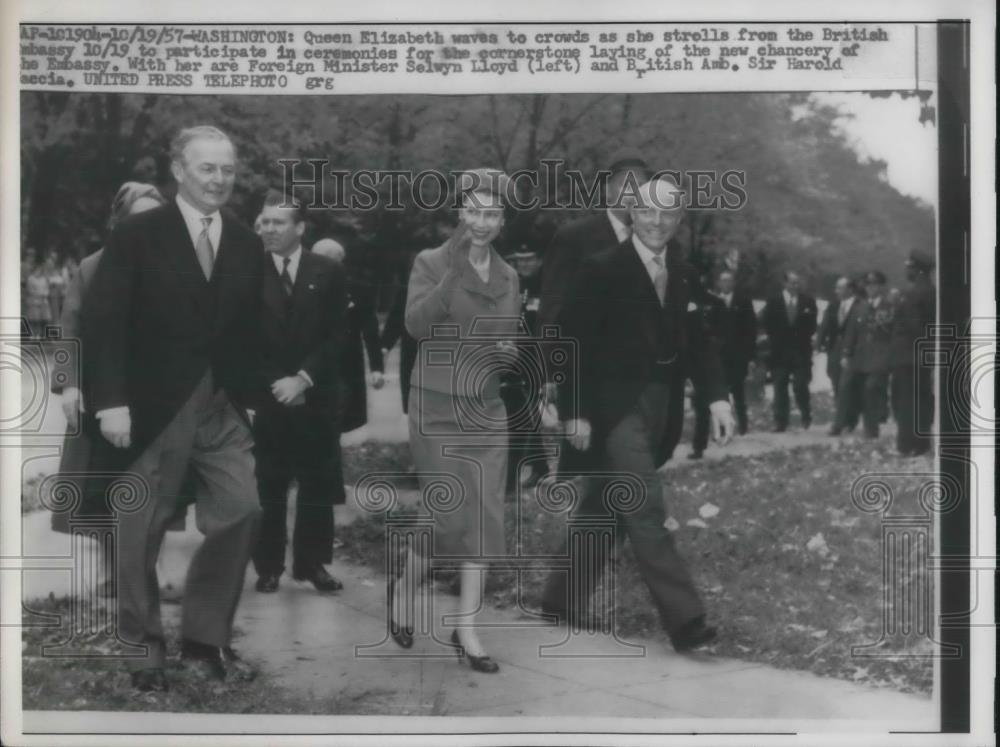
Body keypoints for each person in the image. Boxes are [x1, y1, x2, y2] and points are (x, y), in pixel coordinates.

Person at [81, 125, 264, 691]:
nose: (219, 179)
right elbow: (103, 324)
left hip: (220, 407)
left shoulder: (245, 243)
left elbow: (248, 330)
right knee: (141, 530)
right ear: (179, 171)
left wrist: (250, 398)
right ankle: (145, 654)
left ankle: (206, 640)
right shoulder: (138, 234)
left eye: (227, 169)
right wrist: (109, 403)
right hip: (151, 407)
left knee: (243, 509)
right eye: (207, 168)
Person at [542, 176, 735, 653]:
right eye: (647, 211)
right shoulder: (600, 268)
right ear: (632, 212)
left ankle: (560, 600)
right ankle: (686, 621)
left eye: (668, 213)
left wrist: (717, 398)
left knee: (606, 503)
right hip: (610, 408)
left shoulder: (684, 272)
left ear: (679, 219)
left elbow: (700, 345)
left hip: (659, 407)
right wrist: (577, 413)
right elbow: (573, 347)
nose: (656, 221)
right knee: (643, 502)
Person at [394, 169, 521, 674]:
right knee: (446, 511)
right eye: (474, 211)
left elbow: (504, 341)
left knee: (485, 515)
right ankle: (404, 591)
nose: (482, 222)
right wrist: (451, 275)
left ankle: (466, 628)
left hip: (486, 407)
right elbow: (416, 324)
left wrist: (509, 353)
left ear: (503, 219)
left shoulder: (511, 276)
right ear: (460, 212)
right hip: (437, 403)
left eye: (492, 214)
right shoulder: (430, 262)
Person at [49, 183, 173, 596]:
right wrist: (68, 387)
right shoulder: (93, 267)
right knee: (105, 484)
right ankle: (109, 569)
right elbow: (71, 328)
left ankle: (149, 568)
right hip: (103, 395)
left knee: (157, 485)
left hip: (157, 395)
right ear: (120, 222)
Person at [252, 191, 348, 594]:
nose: (268, 229)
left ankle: (311, 564)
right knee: (268, 483)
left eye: (277, 222)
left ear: (300, 228)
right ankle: (268, 566)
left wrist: (305, 379)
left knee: (317, 483)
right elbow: (241, 337)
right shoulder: (247, 270)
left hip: (315, 395)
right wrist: (276, 385)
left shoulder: (326, 270)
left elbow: (338, 334)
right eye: (264, 222)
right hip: (268, 396)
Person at [538, 149, 651, 477]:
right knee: (587, 470)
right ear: (608, 191)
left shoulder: (653, 240)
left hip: (637, 381)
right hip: (586, 375)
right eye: (627, 188)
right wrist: (548, 371)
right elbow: (552, 309)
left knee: (631, 472)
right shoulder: (575, 238)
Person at [311, 237, 385, 433]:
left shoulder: (358, 289)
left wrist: (377, 368)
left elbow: (370, 330)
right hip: (310, 367)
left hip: (346, 366)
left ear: (339, 262)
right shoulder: (303, 287)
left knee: (338, 420)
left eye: (327, 260)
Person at [501, 244, 549, 489]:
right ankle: (539, 467)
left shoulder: (549, 284)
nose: (524, 265)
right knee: (526, 413)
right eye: (520, 260)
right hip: (519, 356)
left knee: (530, 412)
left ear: (539, 260)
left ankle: (537, 469)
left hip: (543, 357)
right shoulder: (516, 284)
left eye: (529, 259)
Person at [889, 251, 936, 456]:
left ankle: (906, 445)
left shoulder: (912, 293)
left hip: (909, 355)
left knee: (906, 400)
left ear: (916, 270)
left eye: (909, 267)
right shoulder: (932, 290)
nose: (906, 270)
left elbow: (912, 325)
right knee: (922, 399)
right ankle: (921, 443)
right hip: (924, 354)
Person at [840, 271, 894, 438]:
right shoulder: (860, 307)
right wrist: (846, 353)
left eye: (875, 285)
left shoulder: (889, 306)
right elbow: (851, 332)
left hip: (880, 357)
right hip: (861, 357)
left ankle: (871, 429)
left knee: (871, 389)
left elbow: (893, 332)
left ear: (881, 287)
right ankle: (857, 424)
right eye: (868, 285)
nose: (871, 288)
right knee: (858, 390)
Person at [762, 271, 817, 431]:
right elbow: (767, 323)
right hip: (779, 352)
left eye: (797, 282)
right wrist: (777, 339)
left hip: (801, 352)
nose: (796, 285)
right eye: (792, 282)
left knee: (800, 386)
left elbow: (812, 325)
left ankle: (806, 414)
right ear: (785, 284)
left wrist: (802, 338)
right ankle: (781, 422)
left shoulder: (808, 301)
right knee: (780, 387)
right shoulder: (774, 302)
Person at [715, 268, 757, 436]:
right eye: (723, 280)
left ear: (733, 283)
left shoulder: (743, 301)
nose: (726, 284)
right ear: (719, 283)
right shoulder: (713, 300)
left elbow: (750, 330)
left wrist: (750, 356)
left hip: (737, 356)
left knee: (738, 392)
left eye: (729, 280)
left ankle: (743, 425)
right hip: (719, 356)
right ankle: (724, 427)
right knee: (721, 394)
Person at [821, 277, 863, 436]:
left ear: (850, 289)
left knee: (846, 386)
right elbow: (825, 325)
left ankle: (840, 423)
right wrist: (819, 343)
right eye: (836, 288)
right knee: (837, 384)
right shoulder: (833, 305)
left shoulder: (860, 305)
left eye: (840, 288)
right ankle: (848, 418)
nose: (836, 291)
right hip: (834, 350)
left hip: (852, 352)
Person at [688, 287, 727, 459]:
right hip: (688, 357)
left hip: (709, 359)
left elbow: (724, 330)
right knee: (694, 404)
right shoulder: (679, 299)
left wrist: (715, 348)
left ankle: (700, 444)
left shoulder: (715, 303)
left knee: (705, 402)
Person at [24, 260, 51, 338]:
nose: (39, 272)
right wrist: (39, 294)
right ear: (34, 270)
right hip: (34, 301)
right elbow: (30, 290)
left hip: (43, 301)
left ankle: (39, 335)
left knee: (41, 319)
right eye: (37, 270)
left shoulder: (44, 279)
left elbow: (47, 289)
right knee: (33, 319)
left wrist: (45, 294)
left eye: (40, 270)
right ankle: (32, 334)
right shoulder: (30, 279)